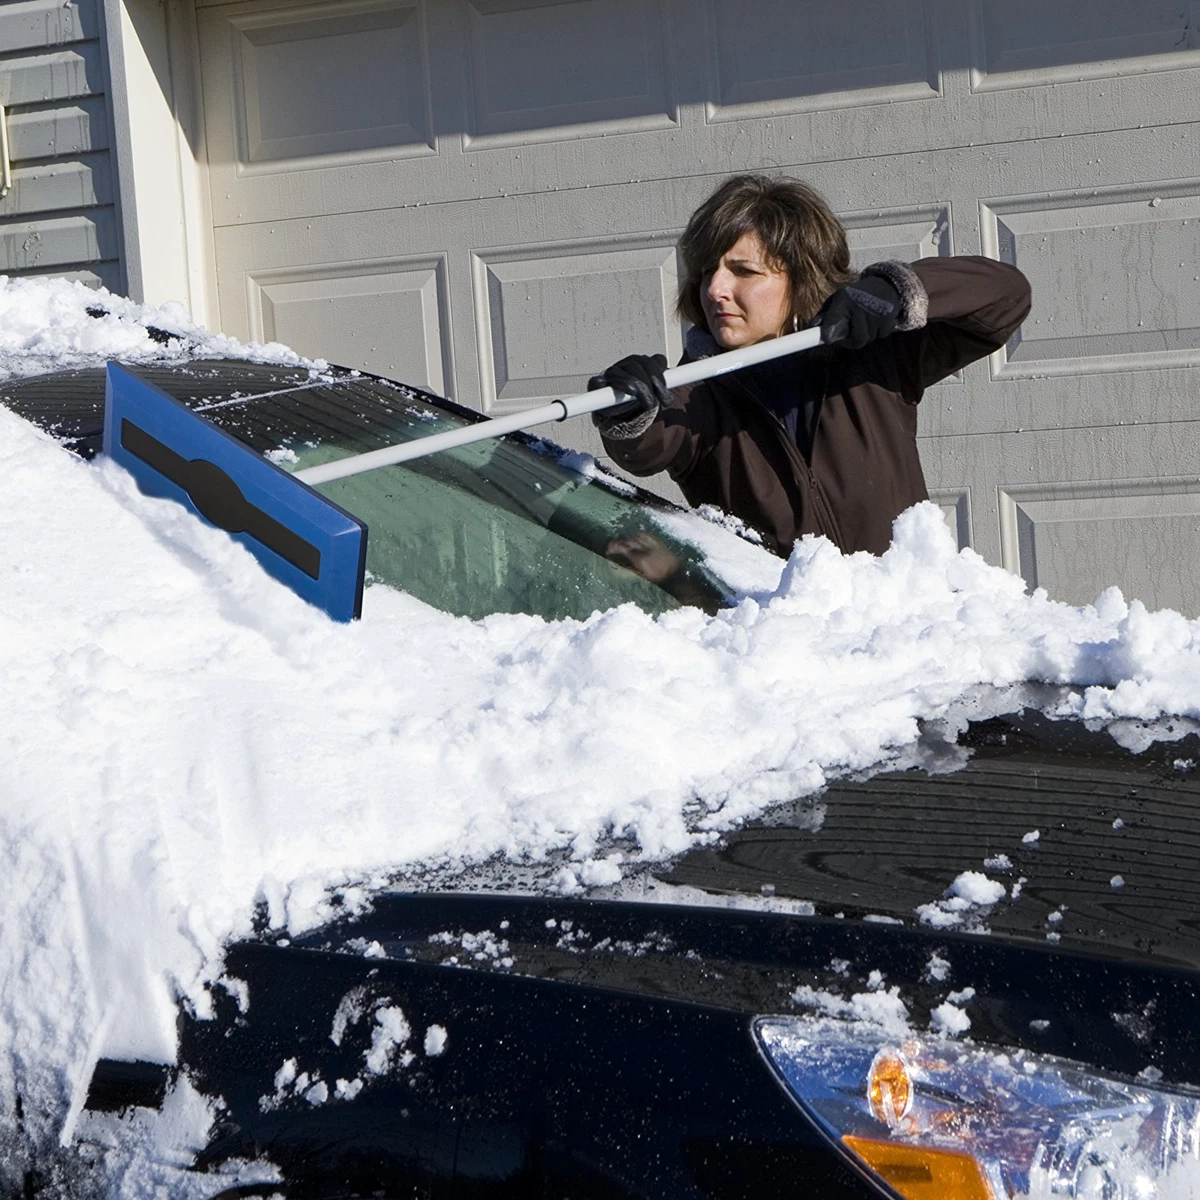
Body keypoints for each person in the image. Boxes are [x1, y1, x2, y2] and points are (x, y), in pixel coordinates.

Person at [588, 174, 1032, 557]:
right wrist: (628, 409)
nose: (715, 288)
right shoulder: (695, 392)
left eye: (743, 271)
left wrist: (897, 289)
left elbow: (1005, 298)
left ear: (800, 278)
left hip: (905, 628)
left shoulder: (871, 359)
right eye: (708, 271)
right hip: (788, 641)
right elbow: (648, 448)